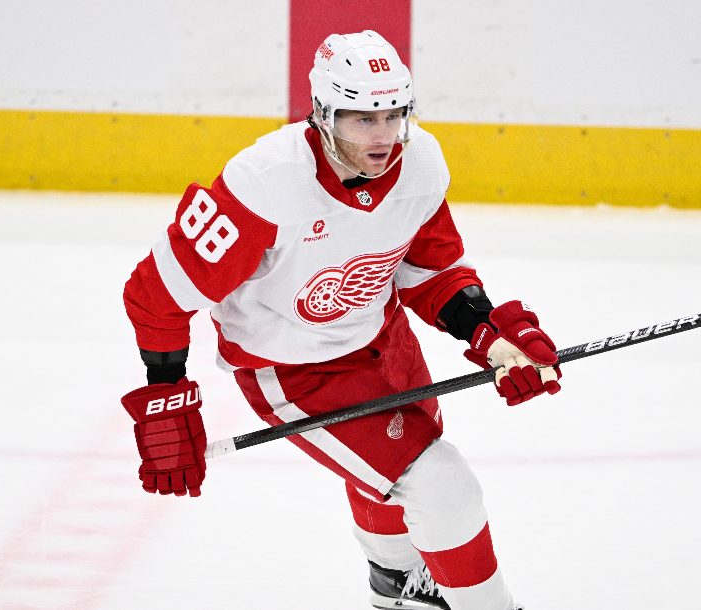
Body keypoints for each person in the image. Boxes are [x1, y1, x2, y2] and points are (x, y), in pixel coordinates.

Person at [120, 30, 562, 610]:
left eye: (393, 116)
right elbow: (156, 294)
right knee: (441, 485)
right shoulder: (264, 185)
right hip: (294, 369)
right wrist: (166, 395)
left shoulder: (420, 162)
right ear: (323, 116)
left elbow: (430, 271)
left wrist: (488, 334)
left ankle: (398, 582)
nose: (384, 137)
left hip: (383, 337)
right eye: (361, 119)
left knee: (396, 475)